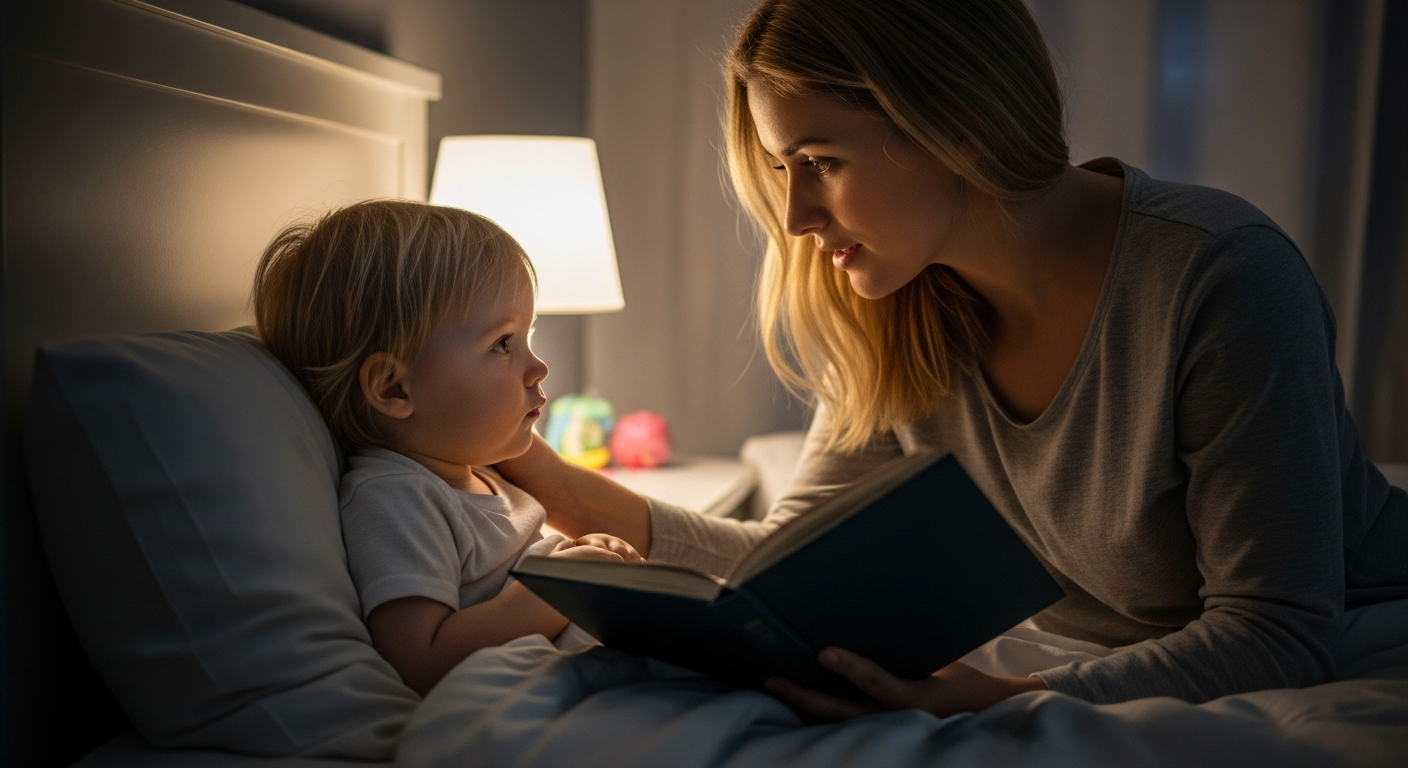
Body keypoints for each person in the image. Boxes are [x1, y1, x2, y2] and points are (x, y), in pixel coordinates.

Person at [495, 0, 1408, 720]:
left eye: (821, 160)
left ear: (957, 122)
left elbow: (1280, 633)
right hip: (1099, 654)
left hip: (1363, 628)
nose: (799, 219)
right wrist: (539, 470)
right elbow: (785, 563)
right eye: (783, 169)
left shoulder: (1221, 276)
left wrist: (1010, 704)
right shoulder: (902, 306)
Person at [252, 200, 641, 696]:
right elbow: (423, 660)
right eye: (503, 343)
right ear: (395, 389)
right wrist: (564, 589)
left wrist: (585, 557)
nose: (538, 367)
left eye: (528, 337)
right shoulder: (397, 497)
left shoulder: (480, 477)